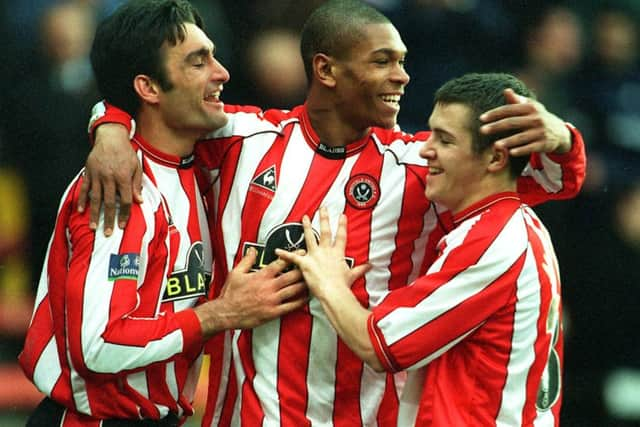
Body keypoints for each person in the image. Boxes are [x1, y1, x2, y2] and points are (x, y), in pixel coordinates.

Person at [82, 1, 586, 425]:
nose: (402, 76)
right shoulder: (241, 140)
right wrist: (109, 124)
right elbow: (160, 108)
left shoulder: (421, 166)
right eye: (384, 61)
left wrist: (561, 135)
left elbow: (548, 179)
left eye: (403, 61)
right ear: (326, 70)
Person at [18, 1, 307, 425]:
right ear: (149, 88)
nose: (222, 73)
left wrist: (108, 118)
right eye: (198, 62)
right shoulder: (119, 188)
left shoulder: (205, 161)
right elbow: (98, 346)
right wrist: (221, 314)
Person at [278, 72, 567, 426]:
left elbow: (379, 345)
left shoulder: (492, 241)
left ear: (495, 159)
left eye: (445, 140)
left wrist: (327, 281)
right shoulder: (517, 225)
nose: (426, 149)